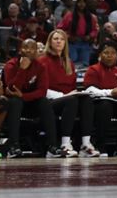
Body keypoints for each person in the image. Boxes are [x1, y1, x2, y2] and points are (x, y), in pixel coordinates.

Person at [40, 28, 97, 157]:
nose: (59, 42)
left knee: (87, 100)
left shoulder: (69, 62)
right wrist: (64, 96)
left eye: (62, 39)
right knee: (71, 100)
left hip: (69, 99)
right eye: (55, 39)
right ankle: (65, 143)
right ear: (50, 42)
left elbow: (71, 86)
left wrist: (74, 93)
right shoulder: (42, 61)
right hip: (50, 102)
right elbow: (42, 89)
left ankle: (86, 144)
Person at [1, 37, 58, 158]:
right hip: (13, 104)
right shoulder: (10, 65)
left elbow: (42, 91)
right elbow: (12, 88)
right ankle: (13, 146)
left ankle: (52, 146)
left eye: (32, 48)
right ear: (20, 50)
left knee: (45, 102)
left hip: (30, 102)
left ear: (37, 51)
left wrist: (24, 95)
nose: (29, 50)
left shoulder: (40, 66)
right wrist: (22, 69)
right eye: (26, 47)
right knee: (15, 102)